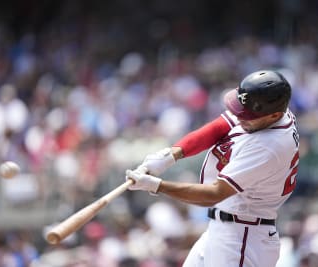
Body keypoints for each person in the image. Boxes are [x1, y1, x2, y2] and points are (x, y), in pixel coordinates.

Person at [125, 69, 299, 267]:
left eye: (247, 115)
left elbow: (215, 193)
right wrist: (171, 155)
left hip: (244, 238)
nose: (240, 117)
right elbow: (219, 127)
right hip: (225, 228)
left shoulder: (269, 145)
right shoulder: (269, 112)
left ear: (274, 114)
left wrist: (157, 186)